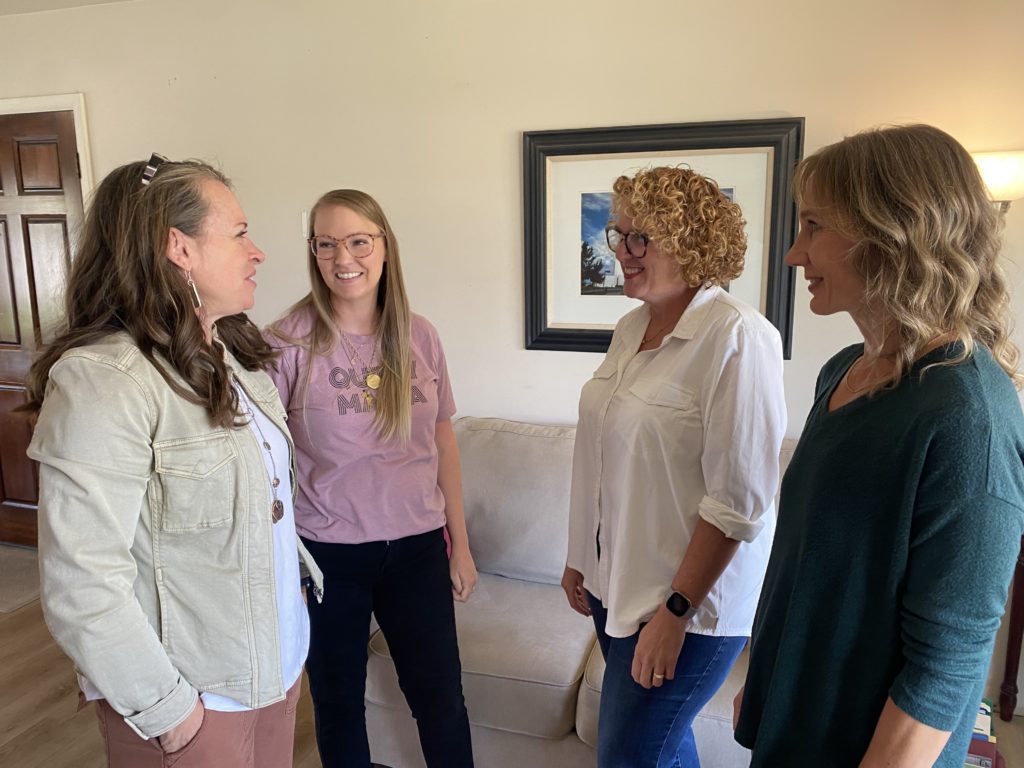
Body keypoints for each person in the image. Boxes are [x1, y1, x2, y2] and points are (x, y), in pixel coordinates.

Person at [734, 124, 1024, 767]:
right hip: (795, 724)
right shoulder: (842, 370)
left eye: (814, 226)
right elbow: (815, 562)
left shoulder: (967, 417)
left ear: (896, 233)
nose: (794, 254)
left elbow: (948, 663)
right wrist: (769, 680)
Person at [24, 155, 320, 768]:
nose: (257, 252)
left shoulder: (231, 357)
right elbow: (81, 581)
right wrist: (171, 715)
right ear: (179, 248)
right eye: (239, 234)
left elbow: (264, 508)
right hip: (195, 700)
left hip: (274, 672)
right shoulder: (105, 381)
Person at [561, 166, 787, 767]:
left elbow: (738, 502)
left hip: (687, 607)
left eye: (640, 238)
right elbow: (604, 454)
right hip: (616, 584)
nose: (622, 253)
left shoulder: (739, 336)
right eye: (618, 235)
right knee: (661, 748)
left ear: (691, 242)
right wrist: (581, 556)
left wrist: (675, 613)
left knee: (629, 755)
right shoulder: (631, 327)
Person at [265, 188, 477, 768]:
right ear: (313, 252)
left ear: (385, 247)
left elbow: (442, 442)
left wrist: (460, 545)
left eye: (359, 241)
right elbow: (263, 463)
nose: (343, 258)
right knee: (338, 707)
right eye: (326, 244)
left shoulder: (420, 336)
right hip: (327, 554)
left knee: (441, 701)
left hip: (418, 548)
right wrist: (279, 563)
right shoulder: (285, 343)